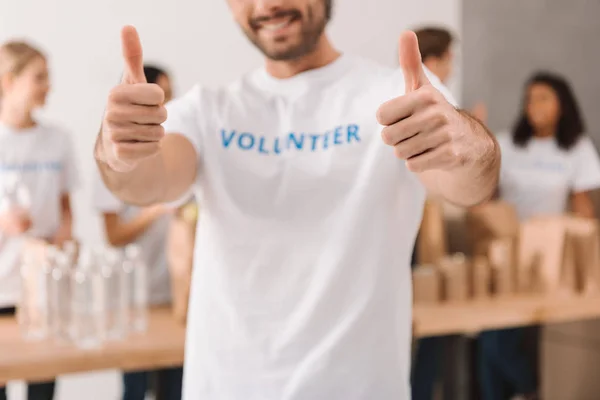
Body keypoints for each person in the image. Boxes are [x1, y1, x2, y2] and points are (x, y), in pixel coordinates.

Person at [94, 1, 500, 398]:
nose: (267, 5)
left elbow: (470, 185)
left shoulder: (394, 94)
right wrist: (117, 149)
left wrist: (467, 144)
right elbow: (146, 180)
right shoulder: (207, 110)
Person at [478, 72, 600, 400]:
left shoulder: (576, 148)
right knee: (492, 340)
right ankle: (529, 390)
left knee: (502, 342)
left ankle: (530, 390)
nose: (534, 105)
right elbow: (485, 198)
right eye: (530, 98)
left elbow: (583, 208)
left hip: (550, 259)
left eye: (543, 97)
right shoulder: (507, 143)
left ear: (563, 105)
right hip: (506, 254)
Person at [93, 64, 182, 400]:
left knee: (175, 388)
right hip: (131, 303)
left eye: (170, 96)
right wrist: (156, 209)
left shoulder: (180, 152)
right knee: (135, 390)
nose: (170, 105)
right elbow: (114, 236)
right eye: (163, 96)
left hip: (173, 299)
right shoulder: (109, 162)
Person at [0, 41, 78, 400]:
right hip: (2, 289)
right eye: (39, 77)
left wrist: (65, 236)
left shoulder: (58, 140)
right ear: (8, 81)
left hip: (43, 286)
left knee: (43, 388)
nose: (49, 85)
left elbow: (65, 205)